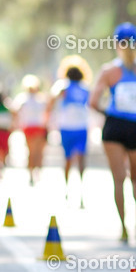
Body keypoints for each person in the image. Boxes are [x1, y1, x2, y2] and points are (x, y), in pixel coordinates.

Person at [89, 22, 136, 242]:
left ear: (116, 43)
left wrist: (109, 113)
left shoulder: (109, 71)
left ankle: (123, 226)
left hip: (115, 126)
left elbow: (93, 101)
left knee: (118, 179)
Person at [47, 55, 93, 207]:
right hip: (80, 127)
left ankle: (69, 188)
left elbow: (51, 100)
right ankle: (78, 189)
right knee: (80, 159)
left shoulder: (65, 86)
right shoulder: (81, 88)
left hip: (68, 127)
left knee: (68, 159)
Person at [14, 74, 48, 186]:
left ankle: (35, 171)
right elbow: (15, 111)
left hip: (37, 127)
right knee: (33, 152)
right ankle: (32, 173)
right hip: (31, 127)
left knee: (37, 152)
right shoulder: (24, 98)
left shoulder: (40, 99)